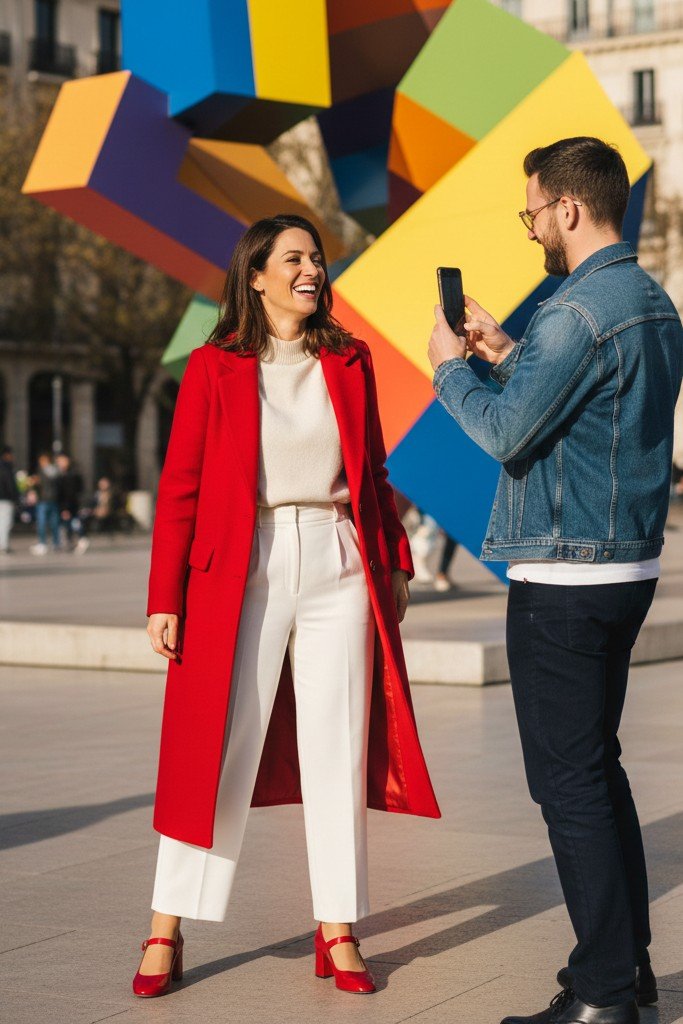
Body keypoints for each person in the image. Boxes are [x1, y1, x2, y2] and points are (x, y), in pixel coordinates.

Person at [135, 213, 440, 999]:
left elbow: (373, 471)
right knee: (216, 748)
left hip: (338, 558)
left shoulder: (349, 359)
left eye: (316, 258)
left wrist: (393, 562)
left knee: (338, 747)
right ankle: (166, 923)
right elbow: (180, 486)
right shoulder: (213, 367)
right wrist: (165, 596)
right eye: (294, 258)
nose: (311, 270)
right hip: (243, 566)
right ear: (257, 275)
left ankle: (337, 926)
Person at [427, 137, 683, 1024]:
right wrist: (506, 352)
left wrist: (450, 367)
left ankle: (603, 995)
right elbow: (583, 414)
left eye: (532, 211)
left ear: (567, 208)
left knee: (567, 787)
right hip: (624, 567)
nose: (531, 227)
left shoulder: (574, 310)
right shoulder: (647, 300)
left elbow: (505, 434)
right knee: (596, 773)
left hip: (563, 577)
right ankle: (625, 968)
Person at [55, 453, 89, 553]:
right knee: (70, 524)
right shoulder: (62, 474)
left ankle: (81, 538)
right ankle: (73, 542)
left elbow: (71, 493)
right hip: (68, 504)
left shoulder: (71, 475)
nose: (60, 463)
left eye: (62, 461)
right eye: (58, 461)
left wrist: (65, 508)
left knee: (74, 522)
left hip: (72, 505)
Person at [30, 452, 61, 555]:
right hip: (50, 499)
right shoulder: (55, 471)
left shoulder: (45, 471)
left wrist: (36, 482)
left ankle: (44, 543)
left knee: (43, 523)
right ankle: (55, 543)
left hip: (45, 500)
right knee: (53, 523)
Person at [0, 445, 19, 554]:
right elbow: (10, 484)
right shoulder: (7, 467)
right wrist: (15, 497)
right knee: (5, 522)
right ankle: (4, 545)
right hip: (5, 498)